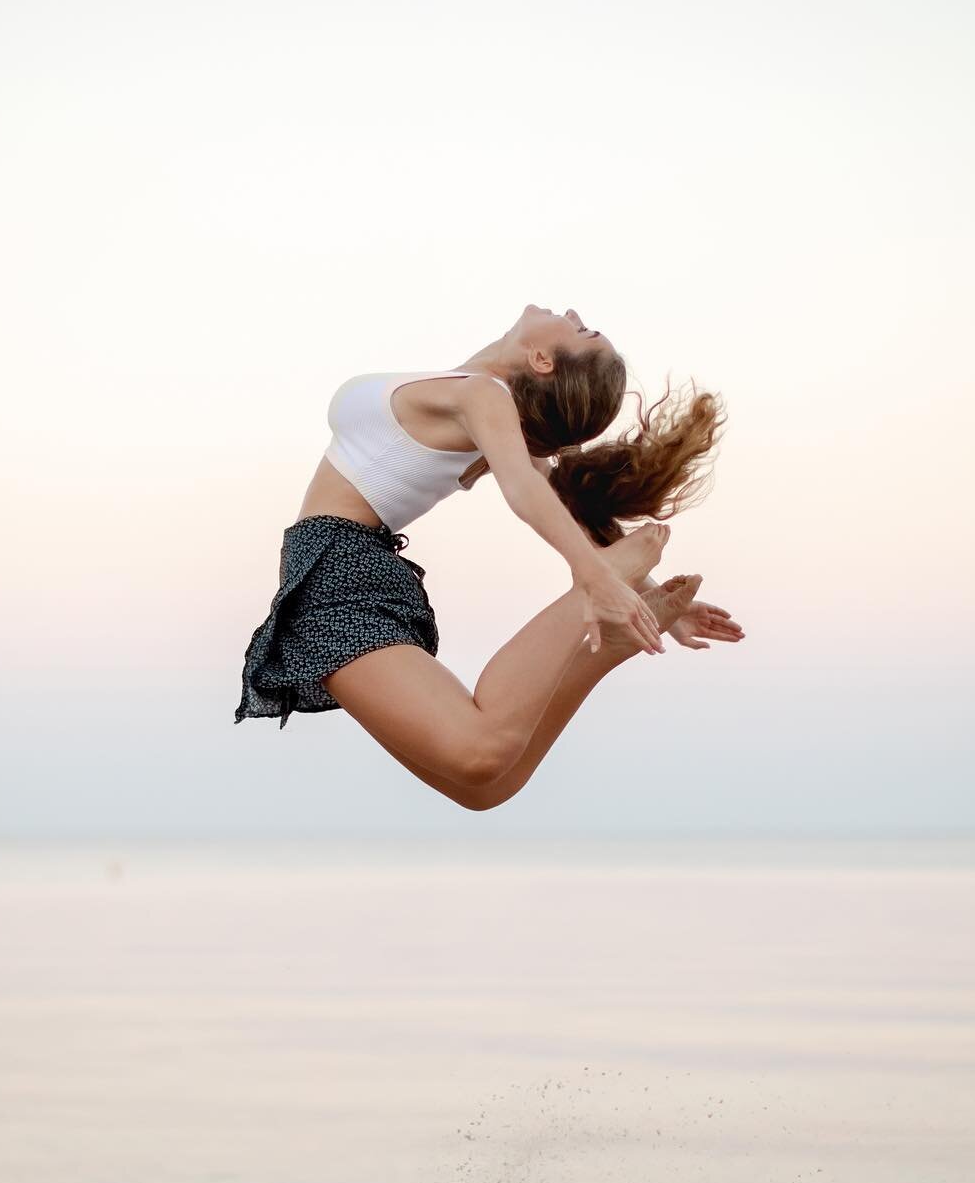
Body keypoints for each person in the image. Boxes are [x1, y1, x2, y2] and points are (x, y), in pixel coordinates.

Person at [234, 304, 744, 809]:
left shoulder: (483, 396)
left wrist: (597, 577)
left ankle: (592, 608)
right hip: (348, 564)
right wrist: (654, 604)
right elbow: (562, 503)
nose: (571, 312)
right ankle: (606, 646)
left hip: (338, 569)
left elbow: (525, 489)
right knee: (485, 787)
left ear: (543, 358)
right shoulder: (477, 401)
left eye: (582, 329)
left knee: (482, 758)